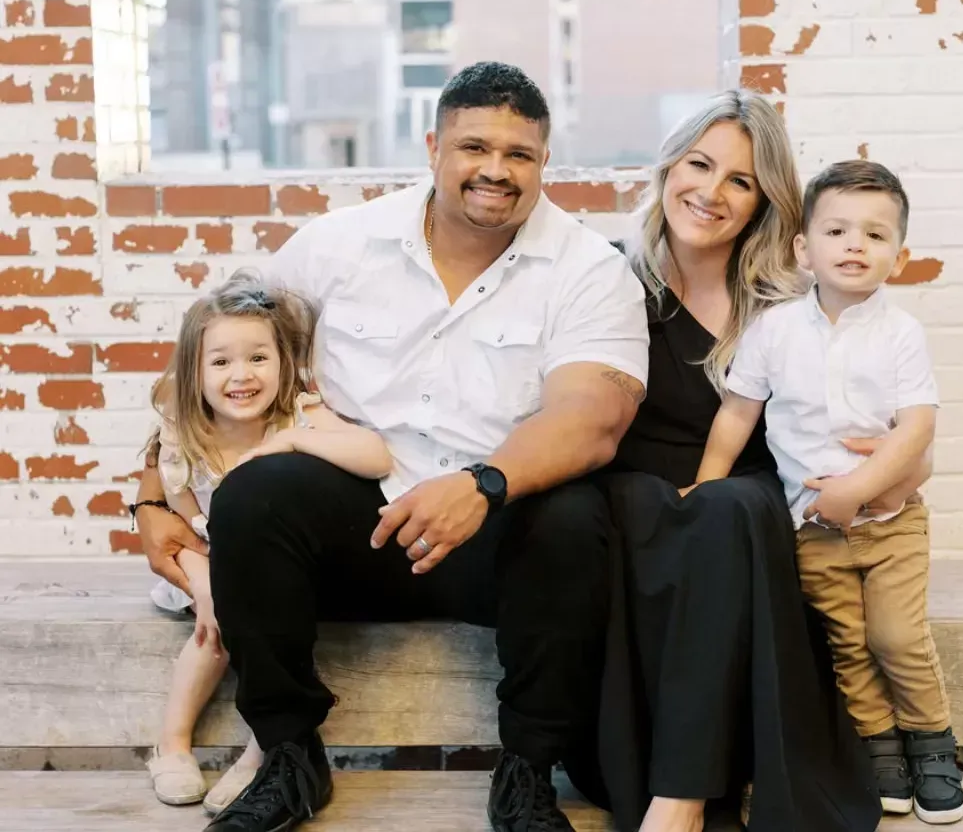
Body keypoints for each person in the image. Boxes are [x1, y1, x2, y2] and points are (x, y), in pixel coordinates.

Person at [131, 61, 649, 832]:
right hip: (353, 526)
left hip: (491, 532)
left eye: (520, 155)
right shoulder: (338, 246)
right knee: (253, 494)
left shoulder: (587, 270)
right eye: (475, 147)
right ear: (433, 145)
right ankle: (289, 757)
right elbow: (220, 349)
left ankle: (527, 773)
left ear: (545, 162)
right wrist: (149, 490)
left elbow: (592, 417)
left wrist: (481, 485)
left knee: (574, 516)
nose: (495, 171)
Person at [567, 92, 932, 832]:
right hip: (639, 501)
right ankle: (662, 773)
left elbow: (898, 426)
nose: (711, 191)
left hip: (754, 501)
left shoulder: (795, 299)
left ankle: (681, 798)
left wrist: (889, 475)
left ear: (766, 198)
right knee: (641, 503)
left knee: (724, 506)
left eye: (740, 179)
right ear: (668, 167)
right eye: (699, 165)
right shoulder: (602, 279)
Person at [691, 159, 963, 825]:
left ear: (895, 257)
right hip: (809, 529)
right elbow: (737, 411)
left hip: (890, 521)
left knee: (895, 636)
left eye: (875, 236)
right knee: (847, 642)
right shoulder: (774, 330)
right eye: (837, 230)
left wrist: (859, 488)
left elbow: (916, 427)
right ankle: (879, 748)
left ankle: (931, 742)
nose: (854, 245)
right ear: (801, 249)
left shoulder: (900, 334)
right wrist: (706, 483)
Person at [134, 270, 393, 815]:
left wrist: (299, 438)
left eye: (258, 358)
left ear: (284, 366)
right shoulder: (185, 436)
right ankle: (172, 743)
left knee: (276, 629)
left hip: (282, 576)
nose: (241, 375)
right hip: (210, 569)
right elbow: (182, 532)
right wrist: (206, 588)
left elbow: (377, 457)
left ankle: (265, 753)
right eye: (221, 361)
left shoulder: (299, 416)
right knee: (216, 629)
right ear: (194, 372)